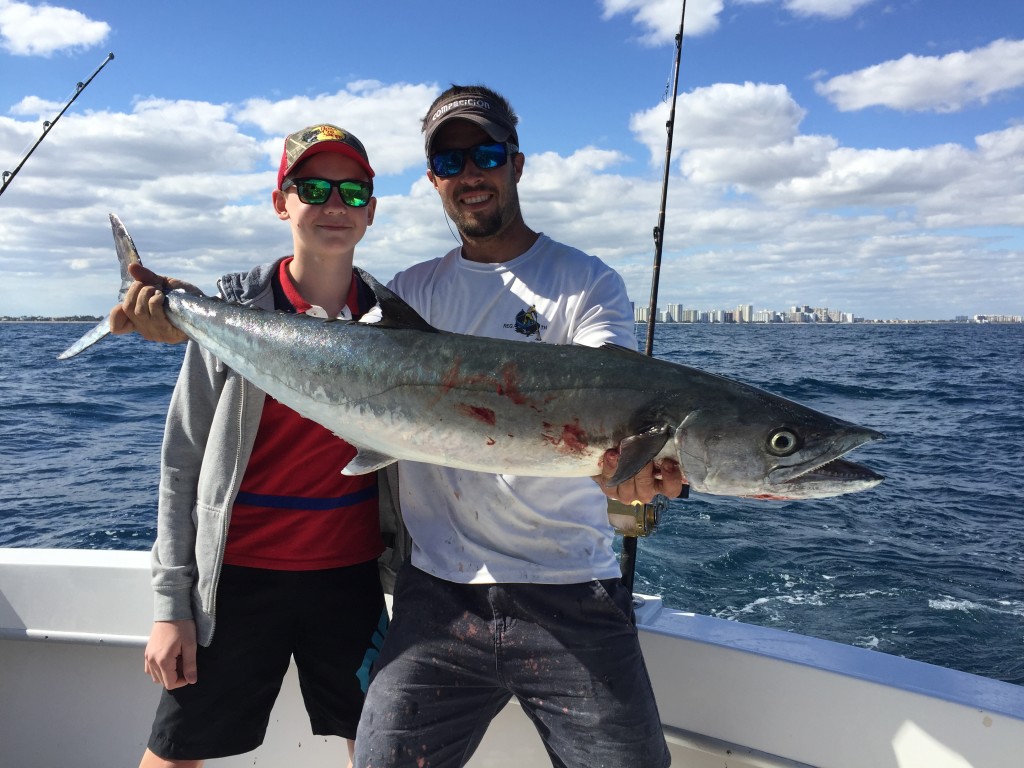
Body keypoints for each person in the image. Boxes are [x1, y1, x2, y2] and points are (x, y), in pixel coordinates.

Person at [113, 87, 683, 767]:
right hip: (424, 595)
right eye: (450, 160)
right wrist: (181, 312)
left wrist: (635, 473)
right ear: (434, 179)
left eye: (488, 154)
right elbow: (278, 364)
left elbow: (606, 395)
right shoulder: (408, 293)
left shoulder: (585, 282)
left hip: (566, 590)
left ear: (518, 164)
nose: (471, 173)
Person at [129, 124, 389, 768]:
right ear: (282, 201)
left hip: (350, 580)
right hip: (237, 583)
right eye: (314, 187)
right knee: (174, 751)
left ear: (372, 210)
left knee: (383, 749)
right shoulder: (233, 313)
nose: (335, 205)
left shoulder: (394, 318)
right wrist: (172, 606)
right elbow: (181, 462)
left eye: (353, 192)